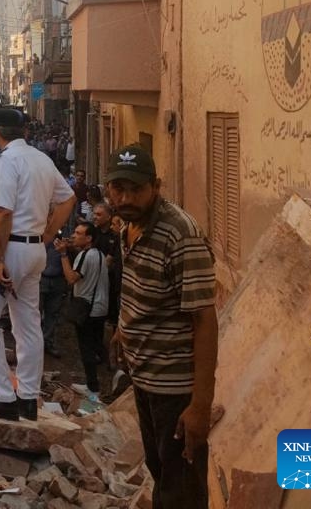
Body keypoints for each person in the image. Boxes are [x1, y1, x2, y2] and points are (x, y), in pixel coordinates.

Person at [106, 145, 217, 509]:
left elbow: (205, 320)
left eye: (136, 189)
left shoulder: (179, 235)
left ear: (155, 186)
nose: (126, 198)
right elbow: (140, 287)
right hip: (144, 378)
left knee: (180, 491)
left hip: (175, 389)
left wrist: (200, 405)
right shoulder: (128, 225)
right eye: (118, 189)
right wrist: (124, 330)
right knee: (161, 472)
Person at [0, 108, 76, 421]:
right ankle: (28, 397)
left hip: (9, 247)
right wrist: (48, 234)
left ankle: (2, 395)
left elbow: (2, 213)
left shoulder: (7, 161)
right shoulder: (42, 159)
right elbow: (68, 198)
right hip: (34, 250)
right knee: (27, 323)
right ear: (24, 132)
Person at [60, 222, 109, 397]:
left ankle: (93, 387)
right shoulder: (100, 255)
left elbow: (72, 278)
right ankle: (113, 375)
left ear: (89, 238)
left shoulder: (85, 256)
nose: (74, 235)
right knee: (96, 343)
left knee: (86, 347)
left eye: (79, 233)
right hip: (100, 307)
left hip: (87, 308)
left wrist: (63, 255)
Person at [92, 202, 122, 328]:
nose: (95, 217)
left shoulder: (114, 235)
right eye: (94, 214)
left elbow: (110, 261)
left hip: (110, 282)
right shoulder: (93, 232)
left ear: (108, 217)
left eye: (98, 214)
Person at [39, 233, 68, 358]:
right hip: (41, 279)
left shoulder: (64, 240)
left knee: (53, 313)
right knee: (35, 312)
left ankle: (47, 342)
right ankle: (35, 343)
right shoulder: (40, 238)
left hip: (58, 280)